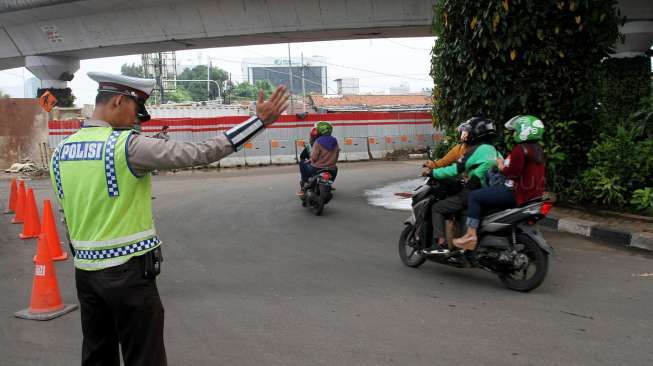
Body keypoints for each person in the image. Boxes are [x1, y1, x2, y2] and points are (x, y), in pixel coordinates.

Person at [49, 72, 288, 366]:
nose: (138, 119)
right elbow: (199, 153)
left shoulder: (60, 151)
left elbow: (66, 213)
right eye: (136, 110)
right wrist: (258, 122)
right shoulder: (127, 146)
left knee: (97, 355)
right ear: (119, 101)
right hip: (128, 274)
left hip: (85, 274)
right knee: (144, 357)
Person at [453, 115, 546, 250]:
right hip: (533, 194)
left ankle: (470, 235)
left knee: (475, 196)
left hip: (516, 193)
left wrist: (501, 165)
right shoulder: (538, 150)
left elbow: (512, 173)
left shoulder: (521, 149)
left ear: (524, 131)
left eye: (515, 131)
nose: (513, 134)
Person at [421, 117, 499, 254]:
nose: (465, 135)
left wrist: (433, 173)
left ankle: (440, 244)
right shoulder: (494, 151)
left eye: (468, 132)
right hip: (490, 192)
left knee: (437, 207)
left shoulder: (472, 151)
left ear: (475, 133)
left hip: (473, 191)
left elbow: (454, 169)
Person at [297, 121, 339, 196]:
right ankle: (328, 184)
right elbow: (337, 155)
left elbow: (314, 157)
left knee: (302, 163)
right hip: (331, 167)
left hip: (317, 165)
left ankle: (304, 184)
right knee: (335, 168)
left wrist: (311, 160)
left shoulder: (317, 140)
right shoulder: (334, 140)